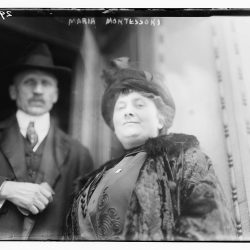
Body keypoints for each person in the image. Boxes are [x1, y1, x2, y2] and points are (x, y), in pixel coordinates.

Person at [65, 57, 236, 241]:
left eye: (139, 104)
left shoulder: (181, 158)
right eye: (120, 107)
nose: (127, 111)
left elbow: (211, 227)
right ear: (114, 124)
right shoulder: (93, 180)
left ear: (161, 118)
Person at [0, 43, 94, 240]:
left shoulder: (79, 154)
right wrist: (3, 189)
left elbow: (85, 228)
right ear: (13, 92)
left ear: (56, 95)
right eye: (29, 82)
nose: (38, 90)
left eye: (46, 83)